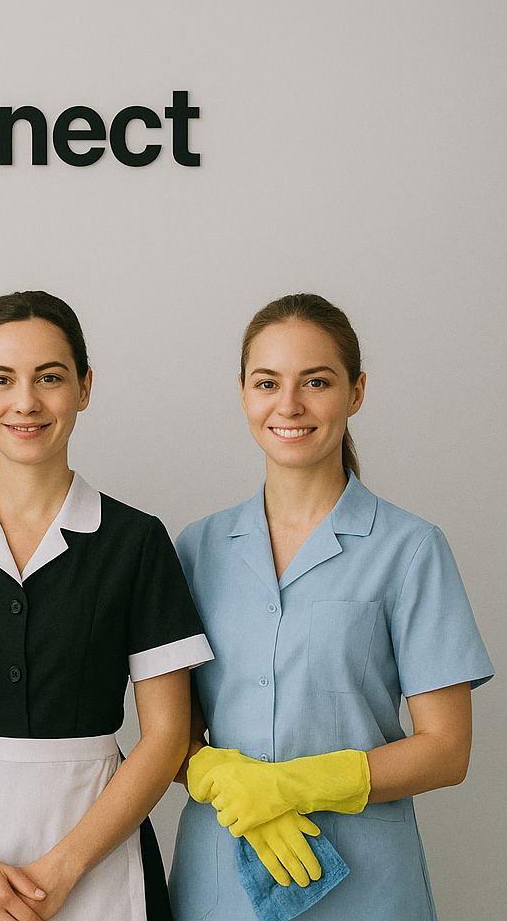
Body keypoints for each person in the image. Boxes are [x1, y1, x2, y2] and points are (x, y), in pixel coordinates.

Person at [168, 293, 493, 921]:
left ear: (356, 392)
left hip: (366, 887)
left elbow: (447, 749)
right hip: (220, 883)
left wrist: (289, 785)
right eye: (267, 383)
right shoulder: (196, 549)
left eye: (316, 382)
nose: (289, 405)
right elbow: (171, 736)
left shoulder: (411, 549)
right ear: (243, 394)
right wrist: (220, 775)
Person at [0, 290, 213, 921]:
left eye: (49, 377)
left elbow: (166, 736)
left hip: (99, 858)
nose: (26, 401)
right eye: (1, 379)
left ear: (84, 387)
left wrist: (62, 869)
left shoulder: (135, 542)